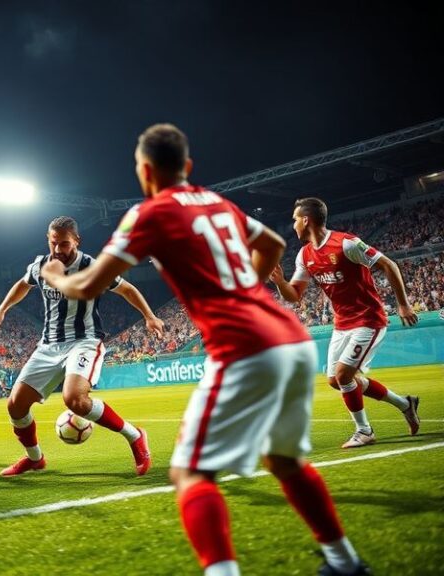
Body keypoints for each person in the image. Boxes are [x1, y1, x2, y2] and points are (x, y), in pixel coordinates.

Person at [40, 124, 370, 575]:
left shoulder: (149, 214)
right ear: (188, 167)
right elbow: (273, 244)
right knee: (284, 461)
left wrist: (55, 275)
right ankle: (345, 561)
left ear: (144, 170)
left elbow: (86, 285)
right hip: (289, 338)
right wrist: (245, 286)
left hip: (243, 344)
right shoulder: (218, 202)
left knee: (191, 475)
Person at [0, 216, 164, 477]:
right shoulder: (40, 265)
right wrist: (2, 309)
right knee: (15, 406)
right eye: (54, 243)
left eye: (65, 244)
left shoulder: (92, 266)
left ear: (77, 241)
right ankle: (35, 459)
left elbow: (127, 289)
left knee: (75, 400)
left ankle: (135, 435)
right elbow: (22, 285)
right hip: (48, 345)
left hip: (84, 341)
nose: (59, 249)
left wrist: (149, 316)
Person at [270, 197, 420, 448]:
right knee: (336, 380)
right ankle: (406, 404)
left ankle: (364, 431)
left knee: (343, 375)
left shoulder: (346, 244)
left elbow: (388, 265)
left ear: (306, 220)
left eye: (295, 219)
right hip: (342, 324)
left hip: (368, 319)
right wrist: (280, 283)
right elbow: (294, 296)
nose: (293, 224)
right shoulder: (304, 255)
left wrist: (403, 304)